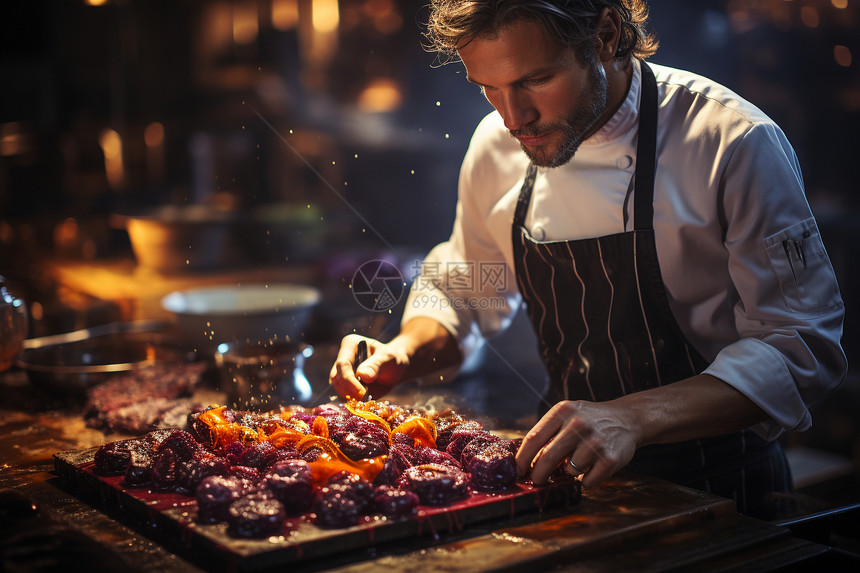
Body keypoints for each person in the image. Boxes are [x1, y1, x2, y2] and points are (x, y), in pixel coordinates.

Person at [329, 0, 847, 519]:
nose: (513, 117)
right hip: (565, 485)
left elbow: (801, 345)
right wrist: (403, 352)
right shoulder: (496, 145)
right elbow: (469, 286)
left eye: (537, 79)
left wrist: (633, 418)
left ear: (604, 34)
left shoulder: (729, 141)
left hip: (724, 491)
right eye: (487, 86)